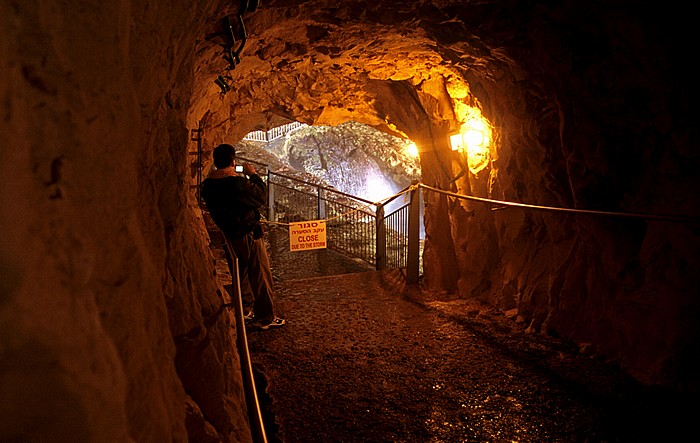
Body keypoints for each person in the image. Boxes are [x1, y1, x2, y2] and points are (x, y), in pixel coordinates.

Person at [200, 143, 285, 330]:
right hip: (247, 233)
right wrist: (253, 175)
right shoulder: (236, 184)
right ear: (232, 161)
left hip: (230, 235)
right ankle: (265, 317)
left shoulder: (208, 185)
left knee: (241, 273)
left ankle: (245, 309)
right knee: (260, 274)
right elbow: (260, 196)